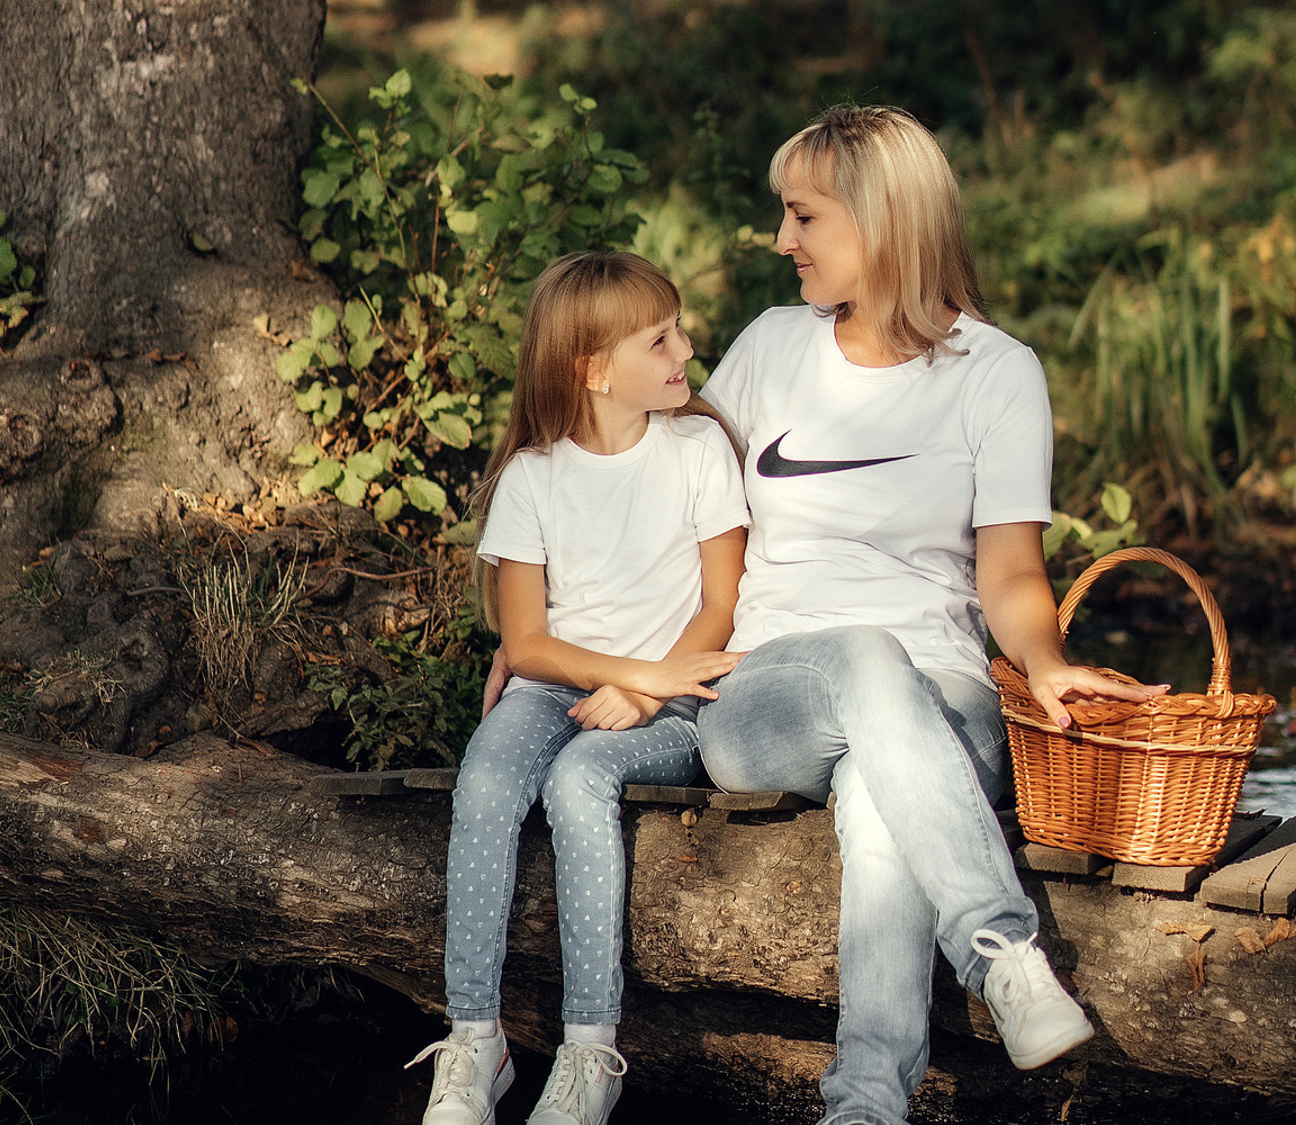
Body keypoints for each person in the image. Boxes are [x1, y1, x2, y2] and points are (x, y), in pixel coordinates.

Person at [696, 104, 1167, 1125]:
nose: (784, 242)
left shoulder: (997, 375)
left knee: (879, 798)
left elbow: (1008, 573)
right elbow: (694, 537)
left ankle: (867, 1105)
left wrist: (1040, 662)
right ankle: (1003, 957)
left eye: (804, 217)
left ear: (883, 221)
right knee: (866, 655)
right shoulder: (771, 349)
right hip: (764, 696)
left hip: (941, 697)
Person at [407, 251, 749, 1125]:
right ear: (592, 369)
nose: (686, 347)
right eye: (661, 337)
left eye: (679, 327)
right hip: (564, 686)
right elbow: (526, 644)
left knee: (574, 780)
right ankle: (475, 1040)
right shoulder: (534, 476)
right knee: (485, 782)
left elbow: (721, 604)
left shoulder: (698, 448)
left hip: (675, 702)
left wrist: (647, 692)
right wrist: (626, 674)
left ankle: (591, 1046)